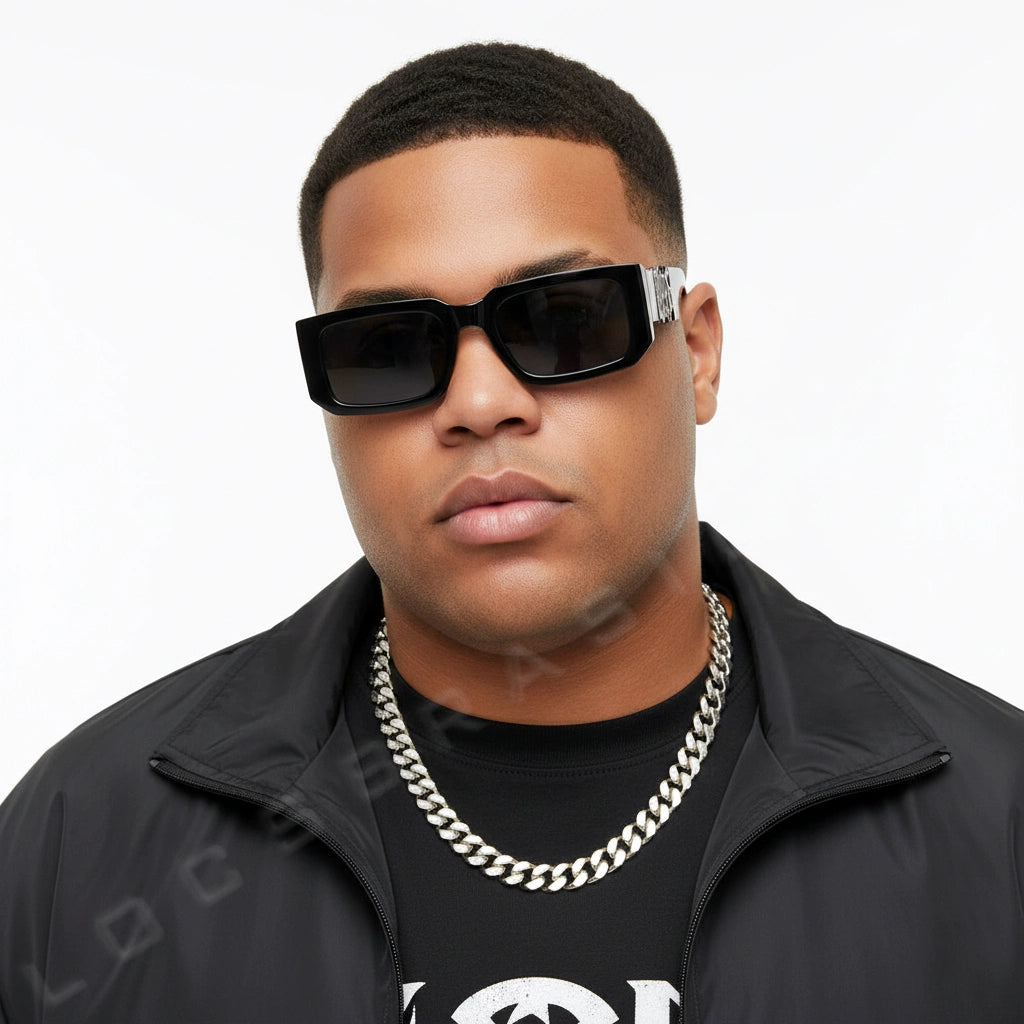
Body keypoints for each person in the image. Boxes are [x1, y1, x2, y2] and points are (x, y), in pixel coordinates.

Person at [0, 41, 1021, 1024]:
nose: (480, 402)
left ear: (697, 352)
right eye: (387, 346)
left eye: (566, 321)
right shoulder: (79, 846)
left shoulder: (996, 823)